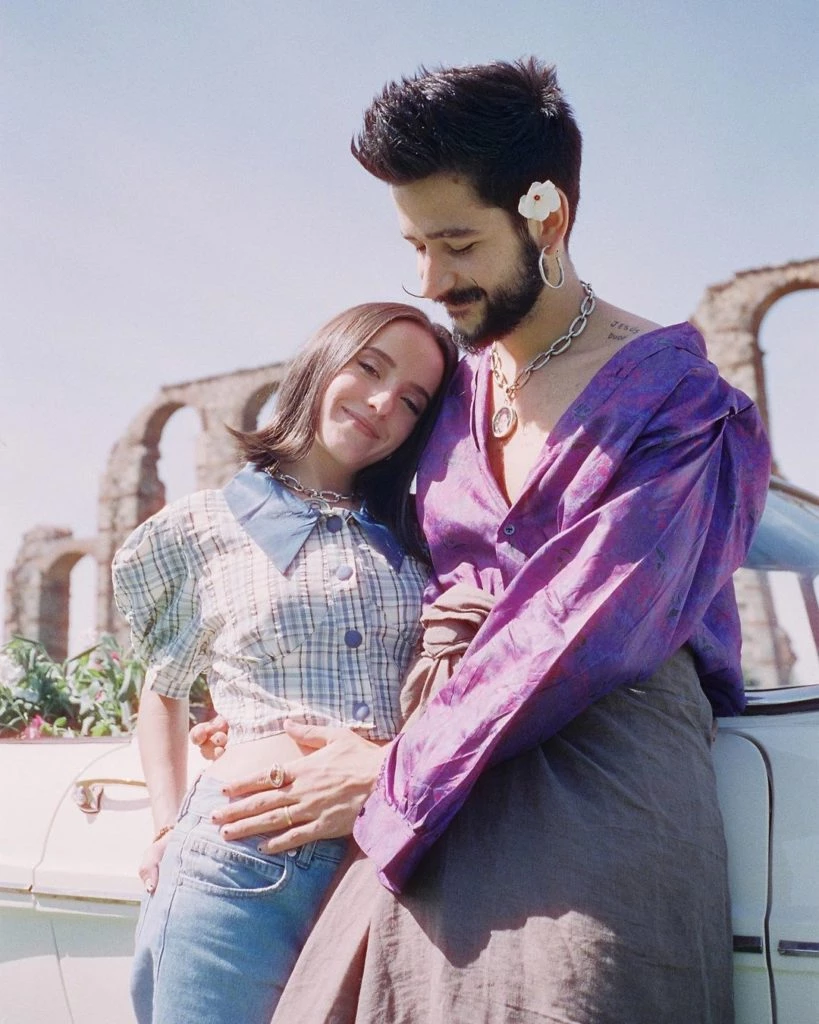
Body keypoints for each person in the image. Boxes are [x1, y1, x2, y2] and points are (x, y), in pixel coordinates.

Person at [199, 59, 771, 1023]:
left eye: (458, 244)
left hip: (597, 777)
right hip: (420, 759)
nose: (430, 282)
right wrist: (258, 689)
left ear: (546, 216)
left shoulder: (680, 406)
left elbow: (584, 624)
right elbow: (351, 544)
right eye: (415, 245)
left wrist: (394, 772)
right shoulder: (442, 393)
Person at [111, 301, 456, 1024]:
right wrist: (167, 826)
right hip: (240, 867)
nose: (381, 403)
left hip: (386, 866)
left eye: (412, 401)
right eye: (369, 367)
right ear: (321, 362)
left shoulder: (420, 536)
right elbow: (164, 690)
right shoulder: (203, 524)